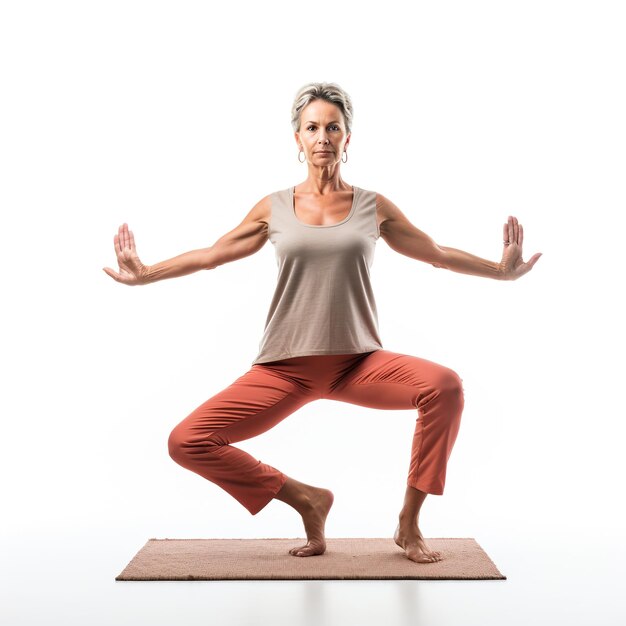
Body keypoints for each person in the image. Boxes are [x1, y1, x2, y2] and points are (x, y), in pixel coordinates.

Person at [103, 81, 542, 564]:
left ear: (347, 137)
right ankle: (306, 499)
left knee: (445, 387)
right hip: (284, 368)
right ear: (297, 138)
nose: (323, 137)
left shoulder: (372, 206)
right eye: (312, 127)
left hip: (358, 363)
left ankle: (409, 521)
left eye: (333, 127)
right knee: (186, 442)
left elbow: (435, 254)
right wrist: (146, 274)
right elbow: (212, 255)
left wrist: (500, 270)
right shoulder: (273, 207)